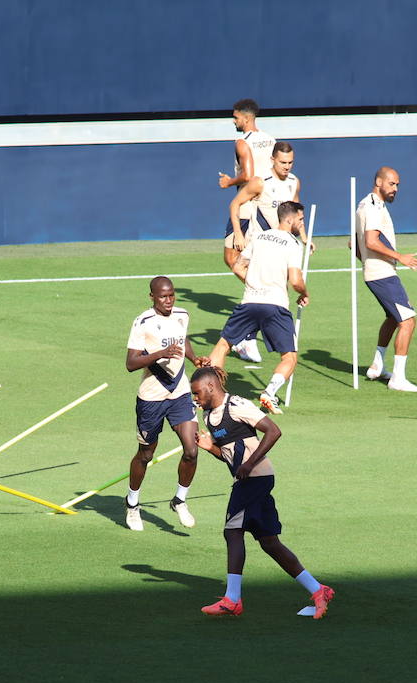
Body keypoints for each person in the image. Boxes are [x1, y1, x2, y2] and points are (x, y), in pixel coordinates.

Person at [190, 367, 333, 619]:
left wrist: (249, 463)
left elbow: (274, 431)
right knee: (269, 542)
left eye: (197, 392)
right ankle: (318, 589)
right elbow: (230, 458)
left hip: (256, 477)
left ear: (211, 386)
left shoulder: (237, 405)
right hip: (250, 478)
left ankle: (233, 600)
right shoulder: (210, 416)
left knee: (232, 531)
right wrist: (209, 448)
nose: (195, 398)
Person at [208, 200, 309, 414]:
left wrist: (254, 284)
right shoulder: (293, 244)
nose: (302, 224)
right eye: (300, 220)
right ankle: (269, 393)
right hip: (276, 305)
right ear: (289, 219)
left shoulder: (259, 237)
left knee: (223, 345)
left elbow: (237, 267)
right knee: (289, 357)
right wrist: (304, 293)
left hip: (250, 302)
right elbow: (296, 281)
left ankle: (210, 393)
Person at [124, 276, 207, 531]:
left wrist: (193, 358)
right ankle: (132, 504)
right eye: (162, 296)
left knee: (192, 449)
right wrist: (160, 354)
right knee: (146, 454)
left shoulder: (182, 314)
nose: (168, 300)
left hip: (179, 392)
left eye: (171, 295)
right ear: (152, 297)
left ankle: (180, 500)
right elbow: (130, 363)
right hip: (152, 397)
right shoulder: (143, 322)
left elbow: (183, 339)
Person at [217, 98, 277, 364]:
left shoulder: (242, 142)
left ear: (246, 118)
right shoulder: (271, 139)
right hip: (266, 206)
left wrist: (228, 181)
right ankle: (257, 316)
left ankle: (249, 332)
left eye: (236, 117)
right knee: (250, 261)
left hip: (245, 206)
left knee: (233, 260)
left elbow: (249, 174)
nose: (233, 121)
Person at [356, 167, 417, 392]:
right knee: (408, 320)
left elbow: (353, 244)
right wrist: (399, 257)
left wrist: (366, 262)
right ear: (378, 182)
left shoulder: (365, 204)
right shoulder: (373, 207)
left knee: (394, 318)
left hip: (377, 270)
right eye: (392, 184)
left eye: (397, 185)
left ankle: (377, 365)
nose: (395, 189)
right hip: (381, 273)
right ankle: (398, 378)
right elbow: (371, 241)